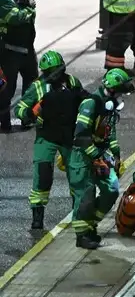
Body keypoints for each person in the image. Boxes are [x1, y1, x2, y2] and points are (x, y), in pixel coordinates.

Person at [14, 50, 85, 229]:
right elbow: (20, 109)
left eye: (59, 69)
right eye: (52, 71)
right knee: (43, 174)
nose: (57, 74)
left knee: (77, 176)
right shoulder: (38, 87)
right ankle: (37, 216)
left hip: (70, 136)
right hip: (47, 136)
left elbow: (85, 101)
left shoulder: (73, 82)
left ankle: (78, 213)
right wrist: (30, 114)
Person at [69, 68, 135, 249]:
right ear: (112, 89)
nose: (122, 95)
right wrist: (96, 156)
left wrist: (116, 154)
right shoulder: (91, 104)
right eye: (121, 91)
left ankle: (91, 223)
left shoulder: (110, 106)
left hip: (100, 154)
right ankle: (82, 235)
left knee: (112, 189)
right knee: (86, 196)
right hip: (83, 157)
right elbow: (81, 136)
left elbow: (110, 132)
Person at [0, 0, 38, 133]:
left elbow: (29, 15)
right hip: (10, 52)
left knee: (32, 86)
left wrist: (29, 9)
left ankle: (26, 118)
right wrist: (30, 9)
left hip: (27, 50)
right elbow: (17, 18)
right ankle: (5, 123)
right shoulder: (4, 0)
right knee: (7, 89)